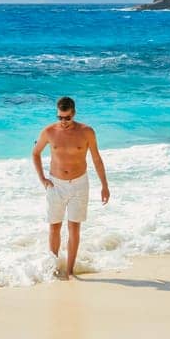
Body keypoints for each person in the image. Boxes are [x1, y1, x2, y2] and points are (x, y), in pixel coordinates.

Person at [30, 95, 109, 278]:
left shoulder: (87, 132)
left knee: (74, 227)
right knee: (54, 227)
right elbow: (35, 153)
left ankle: (70, 271)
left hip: (80, 184)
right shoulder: (49, 132)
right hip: (56, 184)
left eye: (67, 117)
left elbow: (96, 159)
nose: (64, 122)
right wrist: (42, 179)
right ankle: (54, 267)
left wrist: (104, 185)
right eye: (60, 117)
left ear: (74, 113)